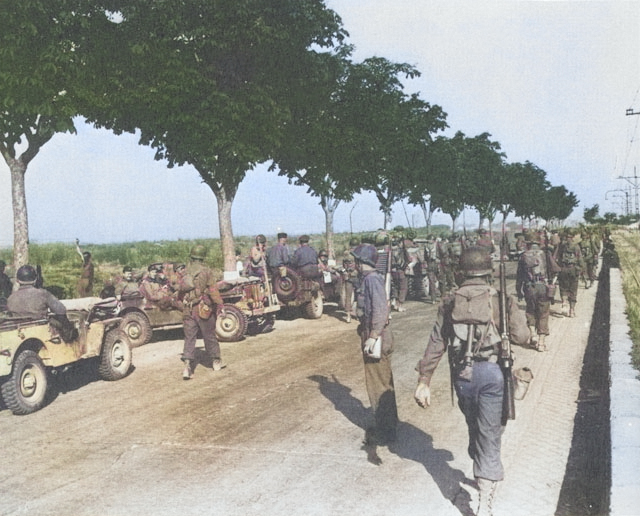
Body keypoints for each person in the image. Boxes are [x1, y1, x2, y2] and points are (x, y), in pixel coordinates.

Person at [414, 246, 528, 516]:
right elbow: (523, 336)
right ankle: (484, 500)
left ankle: (478, 460)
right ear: (489, 272)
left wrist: (424, 380)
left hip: (462, 378)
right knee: (491, 434)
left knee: (474, 426)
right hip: (492, 375)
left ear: (460, 272)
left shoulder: (448, 302)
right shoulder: (501, 299)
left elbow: (436, 343)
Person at [352, 243, 398, 447]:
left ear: (361, 262)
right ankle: (388, 426)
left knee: (378, 386)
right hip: (373, 334)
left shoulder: (371, 280)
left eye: (356, 260)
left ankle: (385, 432)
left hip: (376, 338)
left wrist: (372, 336)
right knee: (382, 383)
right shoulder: (371, 279)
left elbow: (380, 311)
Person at [177, 245, 225, 379]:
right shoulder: (206, 271)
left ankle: (187, 366)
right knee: (209, 335)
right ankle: (215, 361)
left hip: (188, 309)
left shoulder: (184, 272)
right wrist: (220, 305)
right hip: (202, 308)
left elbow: (179, 292)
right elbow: (213, 291)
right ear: (203, 257)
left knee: (189, 338)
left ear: (191, 257)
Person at [8, 264, 78, 342]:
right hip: (40, 327)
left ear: (17, 280)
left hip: (19, 329)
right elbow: (61, 310)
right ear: (35, 279)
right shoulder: (42, 294)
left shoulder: (11, 297)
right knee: (68, 326)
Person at [516, 233, 556, 351]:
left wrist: (519, 291)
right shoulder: (545, 254)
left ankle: (533, 335)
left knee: (530, 311)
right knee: (543, 314)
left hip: (529, 288)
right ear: (538, 243)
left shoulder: (523, 256)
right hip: (543, 286)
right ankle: (541, 343)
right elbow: (554, 269)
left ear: (528, 243)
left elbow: (519, 277)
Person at [553, 229, 584, 317]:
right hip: (573, 269)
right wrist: (581, 269)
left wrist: (559, 268)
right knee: (573, 290)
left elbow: (555, 257)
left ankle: (564, 302)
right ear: (573, 237)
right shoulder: (576, 246)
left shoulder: (561, 246)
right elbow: (580, 259)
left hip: (563, 269)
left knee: (563, 288)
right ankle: (572, 311)